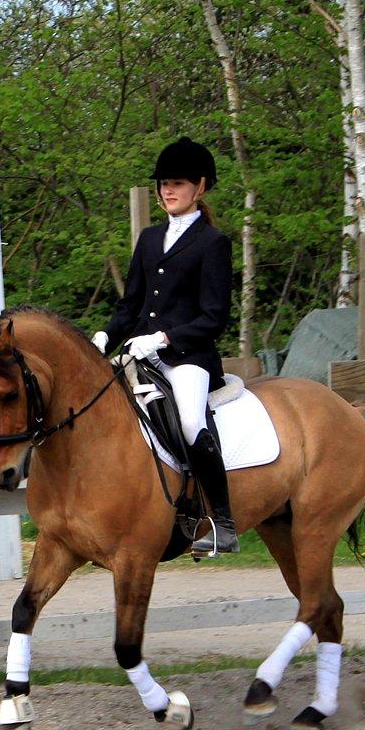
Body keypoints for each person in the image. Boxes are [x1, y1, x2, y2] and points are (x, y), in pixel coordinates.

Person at [91, 137, 238, 554]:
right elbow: (131, 304)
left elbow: (214, 317)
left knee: (191, 421)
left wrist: (164, 338)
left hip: (188, 357)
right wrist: (105, 336)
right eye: (163, 184)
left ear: (200, 187)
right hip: (139, 352)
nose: (167, 191)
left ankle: (223, 521)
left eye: (176, 183)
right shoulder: (150, 239)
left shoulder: (213, 244)